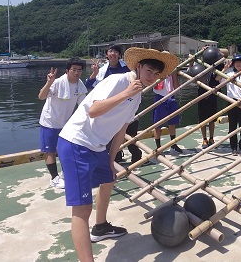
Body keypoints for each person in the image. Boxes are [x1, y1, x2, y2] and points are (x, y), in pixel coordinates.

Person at [57, 48, 178, 262]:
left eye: (156, 74)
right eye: (148, 70)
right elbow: (93, 111)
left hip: (98, 146)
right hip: (76, 142)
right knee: (82, 210)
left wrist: (111, 160)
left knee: (109, 179)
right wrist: (126, 93)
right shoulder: (118, 82)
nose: (151, 77)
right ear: (138, 66)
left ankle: (101, 227)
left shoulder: (138, 95)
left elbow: (122, 129)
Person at [85, 44, 142, 164]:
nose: (113, 54)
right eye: (110, 51)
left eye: (116, 52)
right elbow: (89, 86)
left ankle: (137, 156)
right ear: (107, 55)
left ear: (119, 55)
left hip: (127, 104)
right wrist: (94, 73)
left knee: (130, 133)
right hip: (111, 108)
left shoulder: (127, 68)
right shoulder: (102, 71)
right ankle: (116, 157)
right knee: (111, 134)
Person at [38, 58, 87, 189]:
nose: (76, 73)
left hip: (65, 123)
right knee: (50, 151)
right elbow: (41, 96)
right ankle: (54, 178)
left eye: (79, 70)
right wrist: (49, 82)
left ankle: (66, 174)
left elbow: (84, 105)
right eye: (74, 70)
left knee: (66, 149)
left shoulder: (79, 84)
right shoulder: (58, 82)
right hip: (50, 122)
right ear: (67, 71)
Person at [216, 54, 241, 155]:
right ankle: (233, 147)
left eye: (240, 62)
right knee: (232, 126)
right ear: (233, 64)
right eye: (236, 62)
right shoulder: (229, 74)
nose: (238, 64)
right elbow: (217, 79)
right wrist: (225, 69)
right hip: (231, 101)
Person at [152, 72, 184, 154]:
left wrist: (174, 76)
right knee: (157, 124)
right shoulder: (158, 71)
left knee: (172, 123)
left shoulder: (172, 71)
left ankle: (173, 144)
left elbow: (176, 84)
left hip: (171, 96)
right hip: (160, 96)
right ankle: (158, 147)